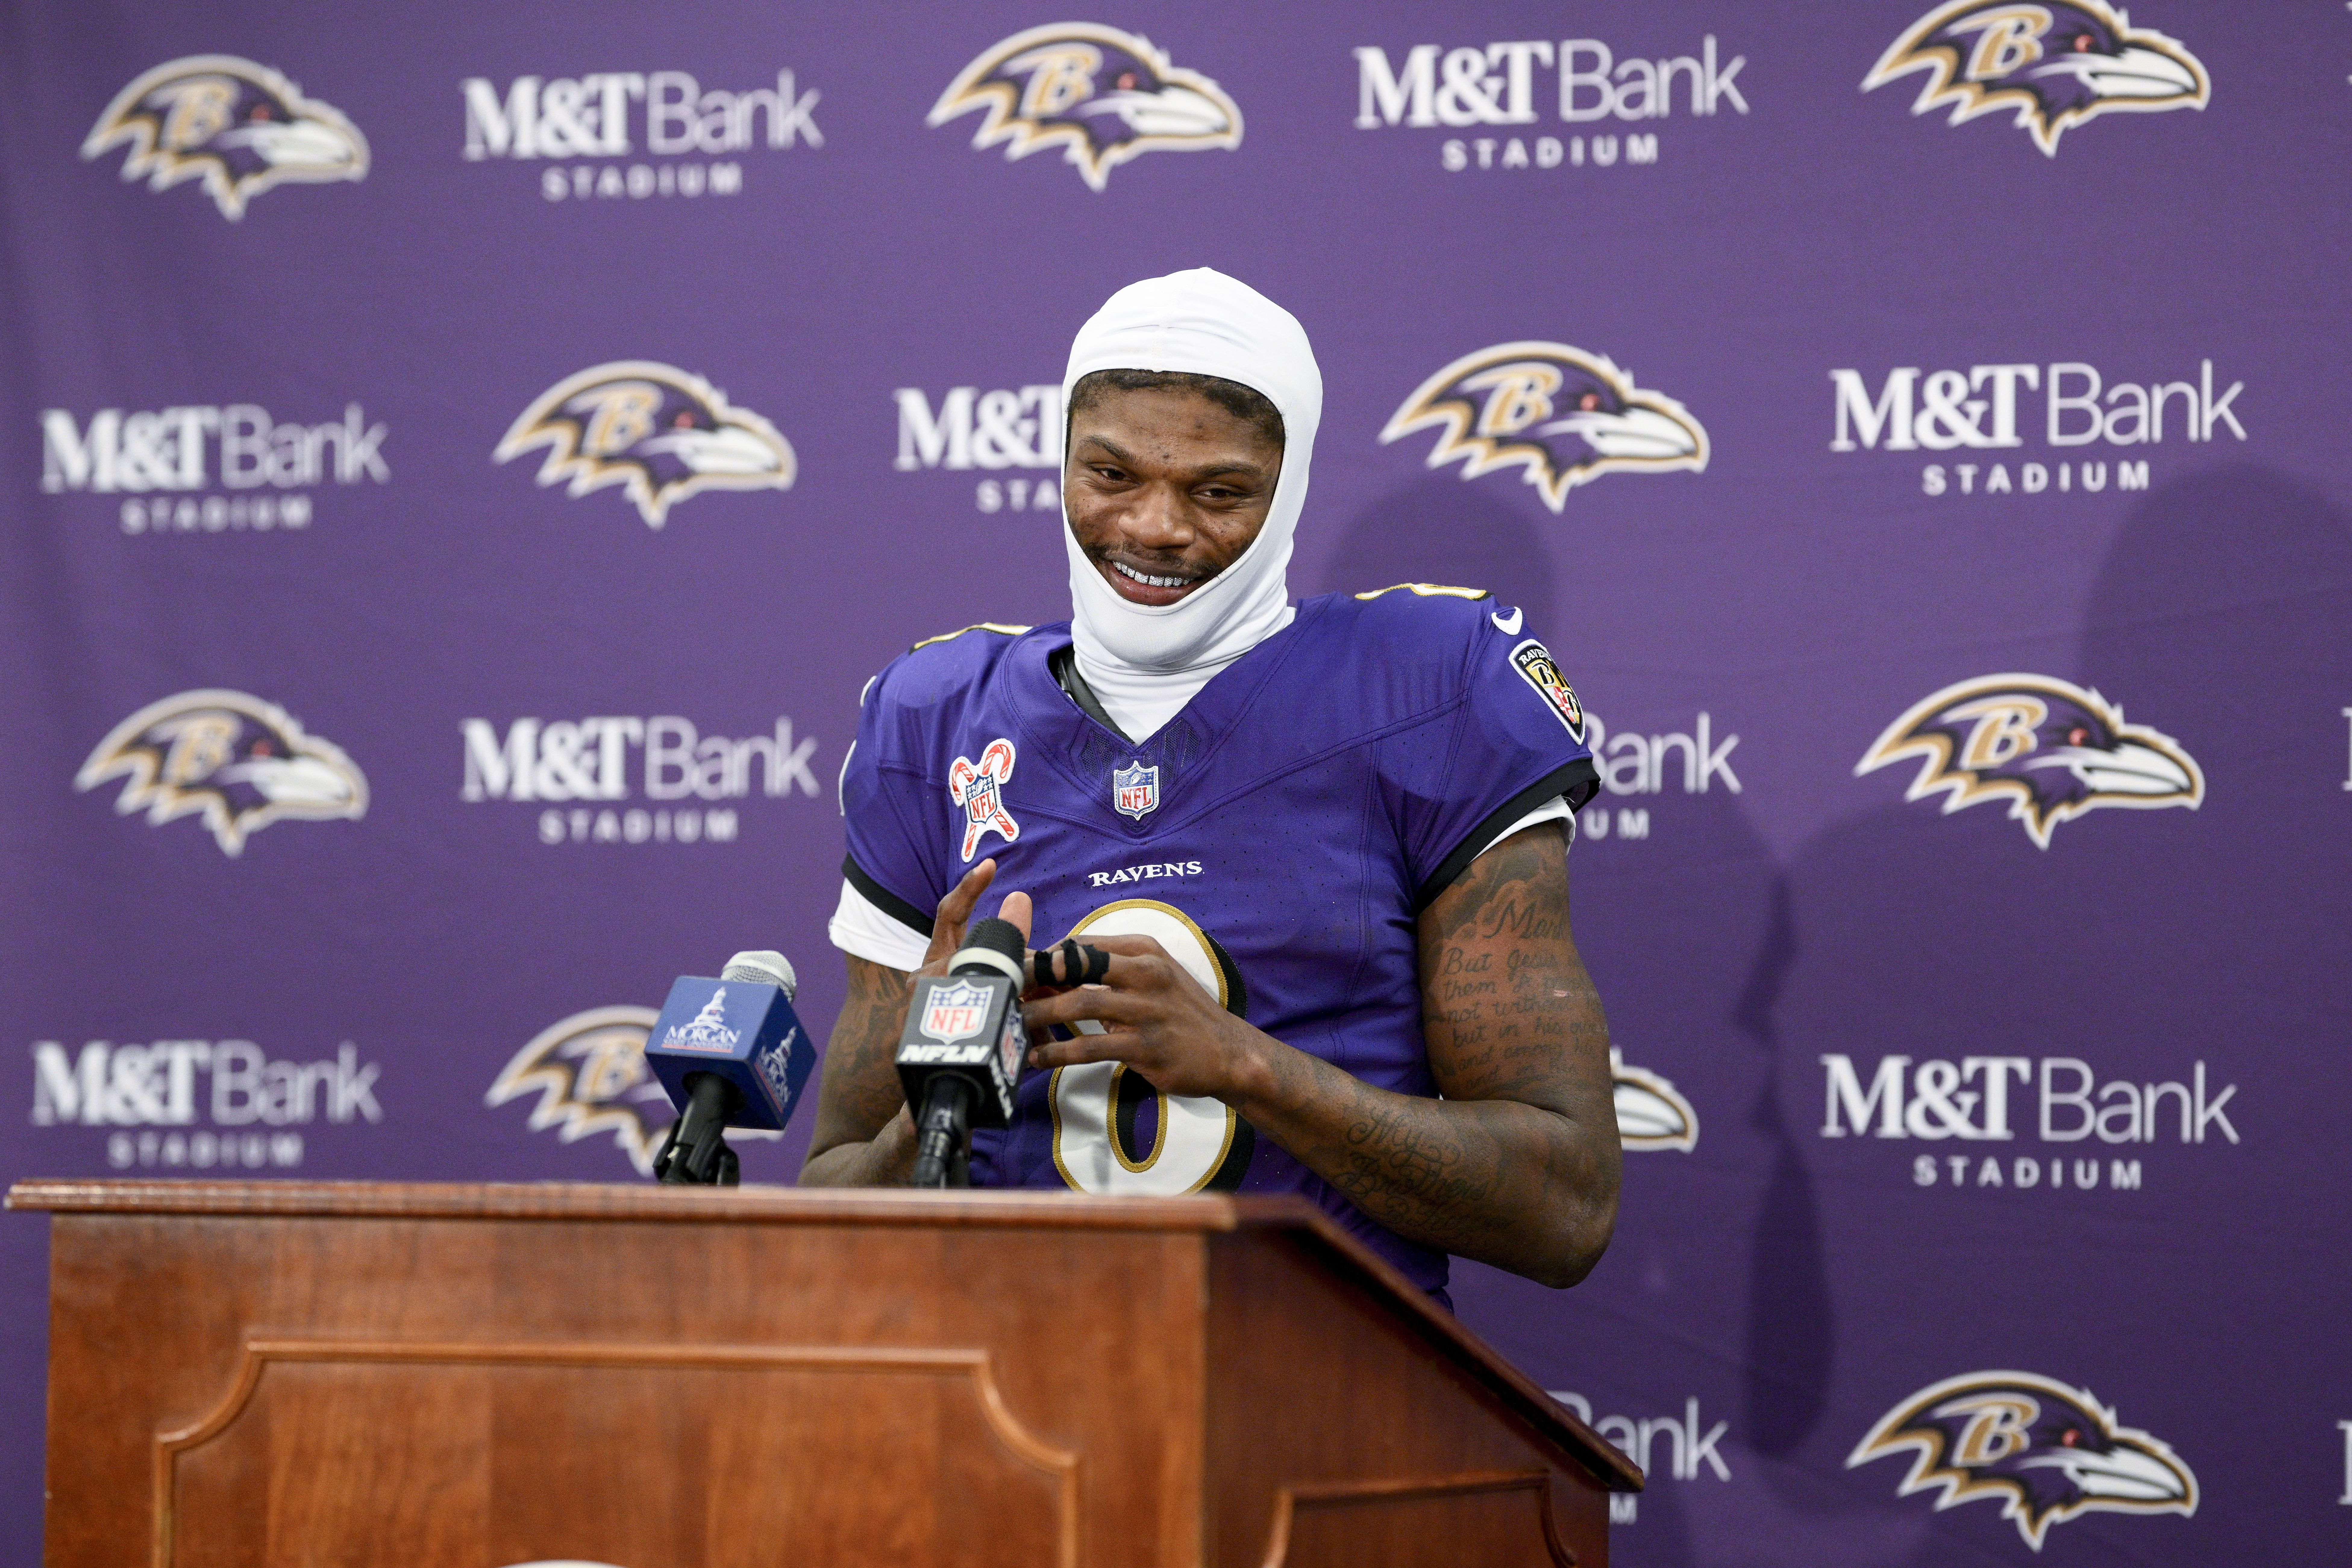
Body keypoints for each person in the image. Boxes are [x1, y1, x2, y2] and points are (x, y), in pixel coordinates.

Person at [803, 268, 1619, 1299]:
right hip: (1008, 1368)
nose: (1154, 526)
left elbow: (1564, 1208)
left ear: (1292, 486)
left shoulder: (1432, 686)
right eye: (1111, 474)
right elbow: (830, 1203)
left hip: (1315, 1375)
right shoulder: (937, 717)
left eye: (1218, 491)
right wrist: (940, 1102)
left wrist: (1244, 1066)